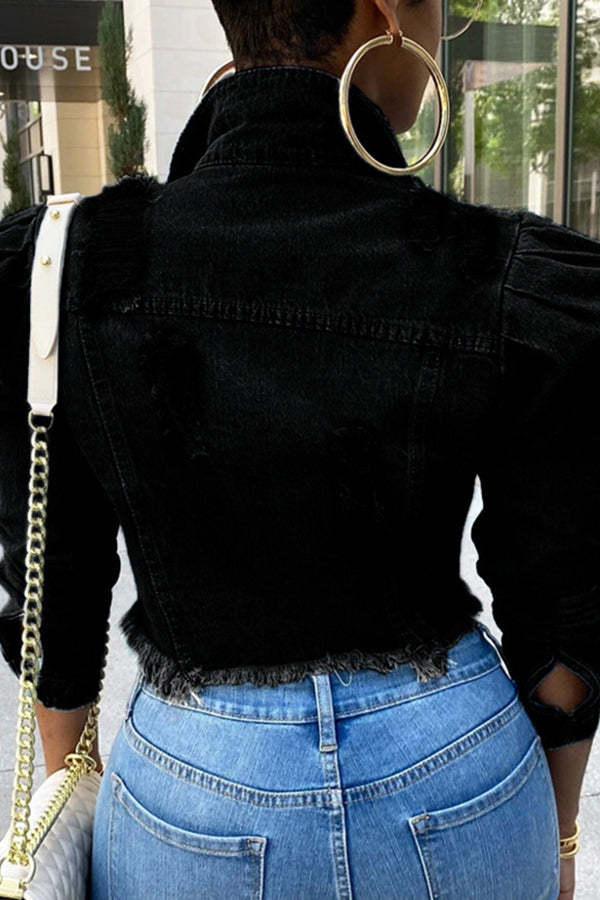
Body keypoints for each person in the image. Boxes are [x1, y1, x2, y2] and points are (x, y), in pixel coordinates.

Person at [0, 0, 598, 897]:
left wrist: (67, 788)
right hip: (456, 771)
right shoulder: (493, 266)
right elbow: (560, 605)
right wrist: (559, 836)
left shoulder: (75, 263)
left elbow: (56, 583)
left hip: (191, 796)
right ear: (384, 12)